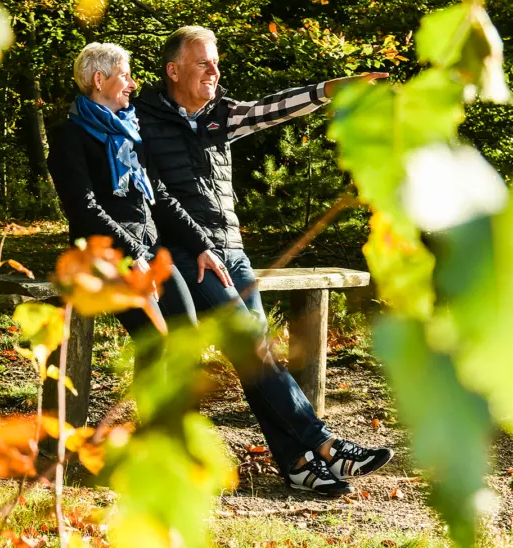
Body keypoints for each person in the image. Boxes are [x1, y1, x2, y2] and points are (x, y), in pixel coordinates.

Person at [134, 25, 392, 497]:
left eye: (216, 62)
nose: (215, 71)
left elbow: (271, 109)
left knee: (258, 357)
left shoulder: (220, 115)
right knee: (252, 346)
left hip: (232, 249)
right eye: (203, 63)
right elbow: (148, 194)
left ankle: (296, 464)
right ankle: (323, 443)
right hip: (189, 255)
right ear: (173, 71)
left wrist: (326, 91)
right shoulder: (142, 119)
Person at [47, 41, 226, 370]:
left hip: (147, 249)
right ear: (99, 80)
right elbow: (84, 210)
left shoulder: (130, 133)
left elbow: (157, 194)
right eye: (125, 76)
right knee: (155, 340)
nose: (133, 84)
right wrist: (134, 255)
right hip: (104, 256)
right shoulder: (69, 137)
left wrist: (201, 244)